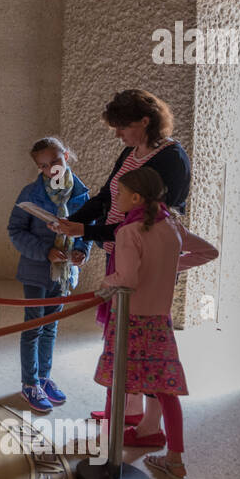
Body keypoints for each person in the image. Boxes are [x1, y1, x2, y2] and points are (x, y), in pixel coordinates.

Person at [50, 89, 191, 425]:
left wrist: (86, 231)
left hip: (145, 259)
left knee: (144, 344)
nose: (117, 133)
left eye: (122, 126)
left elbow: (144, 223)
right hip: (121, 248)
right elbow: (106, 198)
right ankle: (128, 410)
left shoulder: (172, 159)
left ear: (145, 121)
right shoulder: (132, 150)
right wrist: (77, 221)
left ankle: (150, 425)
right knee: (123, 339)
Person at [94, 167, 217, 479]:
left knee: (115, 385)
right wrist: (169, 265)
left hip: (129, 320)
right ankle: (175, 459)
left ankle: (107, 451)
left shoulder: (128, 231)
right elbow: (208, 251)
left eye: (119, 193)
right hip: (159, 322)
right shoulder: (171, 224)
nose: (116, 198)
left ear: (135, 197)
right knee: (166, 390)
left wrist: (106, 283)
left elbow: (128, 280)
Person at [7, 137, 91, 413]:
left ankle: (44, 377)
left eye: (55, 161)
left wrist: (81, 251)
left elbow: (86, 229)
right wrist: (45, 251)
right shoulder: (30, 193)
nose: (50, 169)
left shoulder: (81, 193)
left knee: (51, 326)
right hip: (35, 269)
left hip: (64, 273)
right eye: (43, 166)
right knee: (33, 327)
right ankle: (29, 383)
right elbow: (16, 232)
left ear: (66, 156)